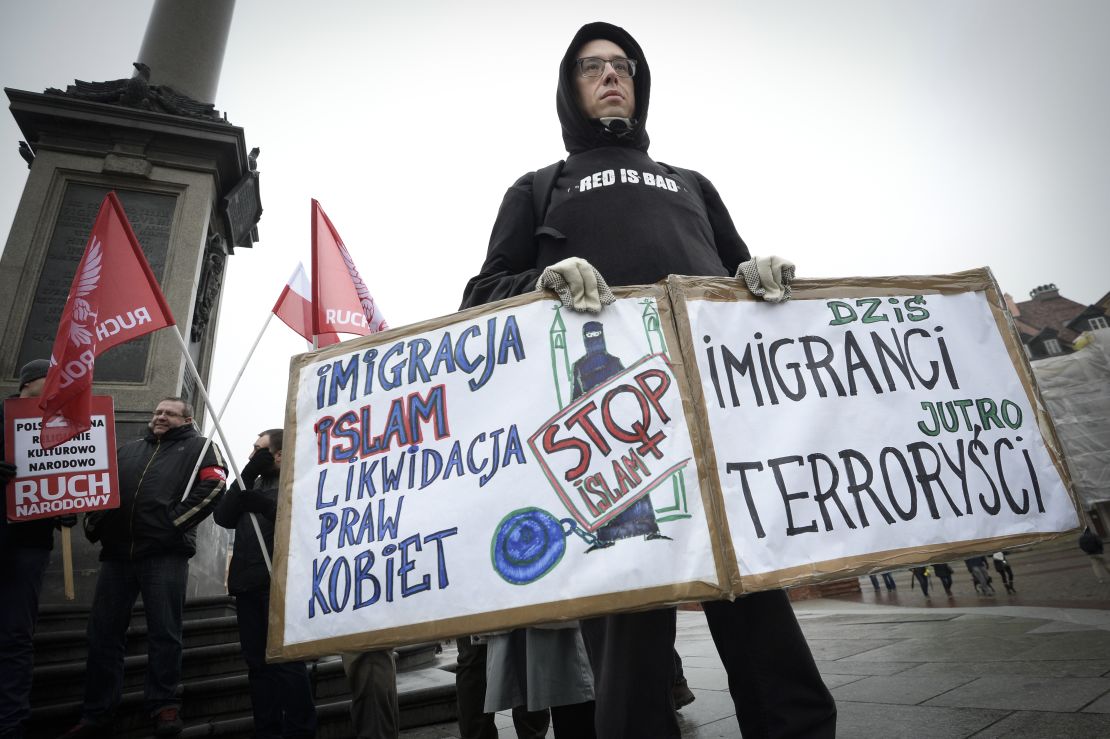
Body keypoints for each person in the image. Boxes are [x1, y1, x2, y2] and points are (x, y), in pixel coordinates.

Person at [460, 21, 835, 739]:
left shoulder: (692, 184)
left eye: (624, 65)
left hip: (714, 429)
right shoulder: (538, 187)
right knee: (630, 674)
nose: (611, 75)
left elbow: (742, 282)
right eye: (592, 66)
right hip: (613, 447)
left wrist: (760, 279)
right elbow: (480, 296)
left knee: (769, 638)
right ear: (568, 89)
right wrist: (539, 282)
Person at [61, 397, 227, 738]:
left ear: (187, 418)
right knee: (103, 635)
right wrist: (96, 523)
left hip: (164, 555)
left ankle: (164, 704)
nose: (160, 417)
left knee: (164, 632)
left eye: (169, 413)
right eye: (157, 412)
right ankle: (97, 712)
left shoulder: (200, 449)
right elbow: (98, 488)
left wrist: (173, 524)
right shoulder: (127, 450)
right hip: (117, 554)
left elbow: (215, 486)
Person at [213, 429, 318, 738]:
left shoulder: (298, 482)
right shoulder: (252, 482)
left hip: (281, 585)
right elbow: (222, 516)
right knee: (257, 667)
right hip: (248, 584)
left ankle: (300, 730)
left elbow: (303, 524)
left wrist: (266, 506)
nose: (251, 454)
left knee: (287, 664)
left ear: (279, 454)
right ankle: (267, 729)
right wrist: (247, 474)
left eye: (258, 450)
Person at [0, 360, 76, 738]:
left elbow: (69, 472)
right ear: (30, 383)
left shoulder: (62, 427)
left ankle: (11, 722)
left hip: (29, 544)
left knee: (16, 635)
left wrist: (65, 506)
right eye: (52, 383)